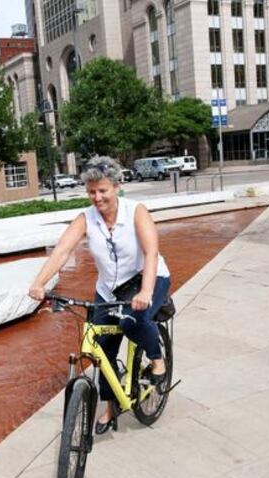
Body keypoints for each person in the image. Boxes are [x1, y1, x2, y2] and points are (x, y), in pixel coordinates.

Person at [28, 156, 171, 435]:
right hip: (109, 289)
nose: (97, 197)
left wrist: (146, 292)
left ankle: (157, 360)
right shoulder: (86, 218)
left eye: (103, 190)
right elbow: (62, 251)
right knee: (100, 346)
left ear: (116, 187)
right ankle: (110, 406)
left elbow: (151, 252)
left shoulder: (136, 211)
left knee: (132, 320)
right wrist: (39, 283)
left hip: (147, 278)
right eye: (92, 191)